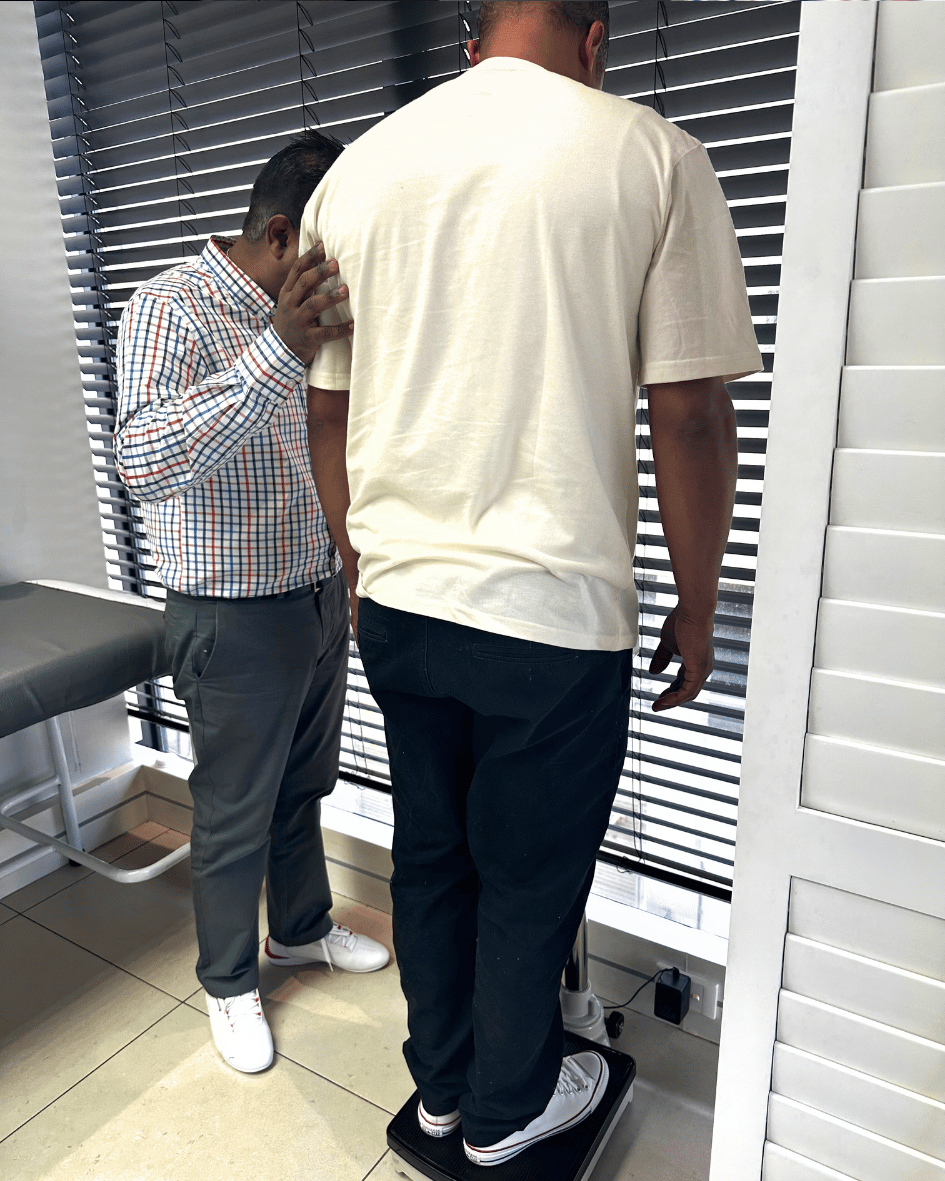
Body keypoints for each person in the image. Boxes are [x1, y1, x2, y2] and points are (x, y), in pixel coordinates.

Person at [302, 0, 761, 1166]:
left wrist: (358, 567)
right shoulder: (650, 155)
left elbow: (327, 411)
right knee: (526, 875)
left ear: (470, 43)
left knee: (433, 854)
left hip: (400, 600)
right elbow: (691, 414)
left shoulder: (355, 177)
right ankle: (507, 1116)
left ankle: (444, 1091)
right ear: (595, 39)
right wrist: (699, 601)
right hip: (551, 615)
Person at [114, 130, 390, 1078]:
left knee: (303, 789)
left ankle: (300, 928)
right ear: (281, 235)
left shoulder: (318, 309)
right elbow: (143, 460)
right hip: (231, 613)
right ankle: (228, 981)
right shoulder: (171, 306)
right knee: (235, 813)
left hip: (316, 592)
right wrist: (278, 349)